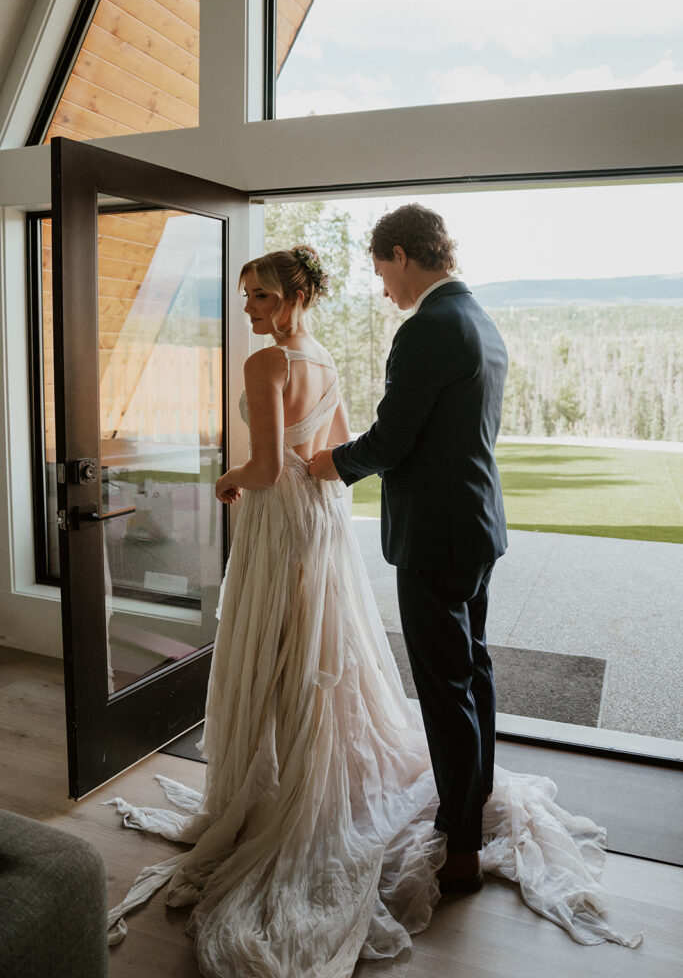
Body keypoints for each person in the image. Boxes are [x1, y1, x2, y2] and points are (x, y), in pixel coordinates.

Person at [105, 243, 640, 978]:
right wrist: (312, 477)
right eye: (245, 298)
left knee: (279, 644)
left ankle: (287, 783)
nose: (251, 310)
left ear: (297, 297)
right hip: (320, 515)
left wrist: (226, 480)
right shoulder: (321, 358)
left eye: (262, 296)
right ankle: (324, 768)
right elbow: (344, 446)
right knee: (318, 642)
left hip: (279, 519)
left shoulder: (267, 365)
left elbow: (264, 468)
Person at [308, 203, 506, 892]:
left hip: (435, 535)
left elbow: (392, 441)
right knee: (472, 669)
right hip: (475, 526)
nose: (382, 289)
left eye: (380, 271)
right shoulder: (479, 320)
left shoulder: (427, 328)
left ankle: (459, 845)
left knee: (443, 684)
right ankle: (470, 800)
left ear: (400, 254)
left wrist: (326, 463)